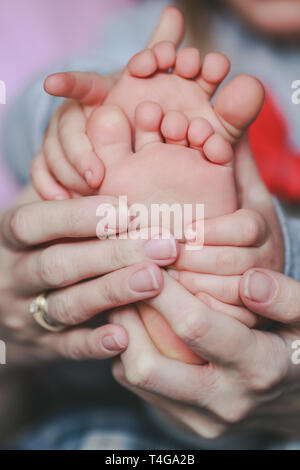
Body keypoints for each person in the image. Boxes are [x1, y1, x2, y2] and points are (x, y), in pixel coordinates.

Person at [1, 2, 300, 450]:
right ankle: (189, 303)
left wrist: (278, 254)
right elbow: (66, 88)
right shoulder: (162, 31)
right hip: (100, 388)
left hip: (273, 406)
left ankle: (217, 294)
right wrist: (68, 125)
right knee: (85, 436)